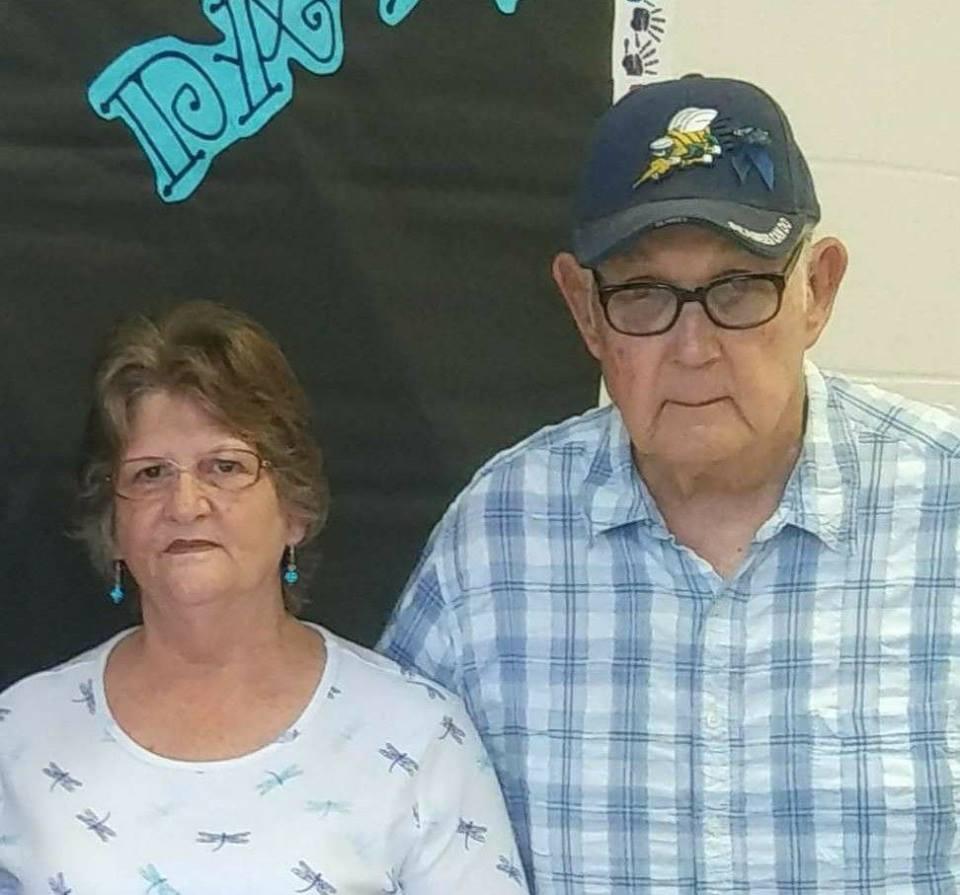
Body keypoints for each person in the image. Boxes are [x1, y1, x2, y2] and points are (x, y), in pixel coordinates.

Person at [378, 75, 960, 893]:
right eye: (644, 294)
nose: (693, 348)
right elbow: (382, 824)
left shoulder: (944, 505)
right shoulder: (495, 539)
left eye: (739, 288)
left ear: (817, 290)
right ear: (585, 310)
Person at [0, 302, 529, 894]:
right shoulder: (20, 737)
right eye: (150, 474)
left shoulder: (417, 737)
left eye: (225, 467)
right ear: (113, 524)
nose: (185, 504)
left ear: (295, 509)